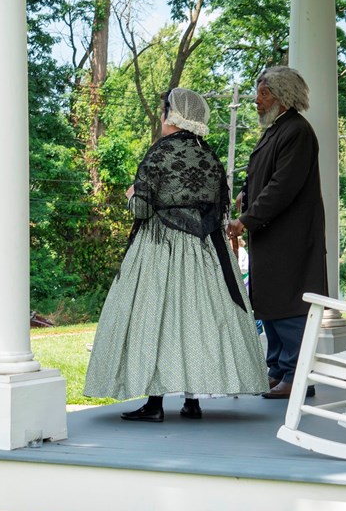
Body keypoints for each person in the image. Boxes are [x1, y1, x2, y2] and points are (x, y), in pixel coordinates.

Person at [86, 88, 267, 421]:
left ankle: (155, 405)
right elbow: (219, 207)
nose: (162, 117)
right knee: (196, 319)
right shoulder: (209, 155)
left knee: (156, 318)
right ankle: (192, 400)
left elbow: (141, 208)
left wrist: (130, 194)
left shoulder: (160, 153)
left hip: (161, 248)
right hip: (205, 252)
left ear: (175, 115)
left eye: (165, 111)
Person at [226, 66, 328, 400]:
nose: (256, 100)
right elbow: (262, 175)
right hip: (271, 238)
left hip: (290, 239)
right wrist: (244, 194)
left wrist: (246, 219)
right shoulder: (277, 130)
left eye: (264, 93)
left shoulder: (296, 131)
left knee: (288, 304)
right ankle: (277, 370)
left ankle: (298, 376)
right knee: (269, 302)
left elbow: (283, 186)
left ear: (283, 97)